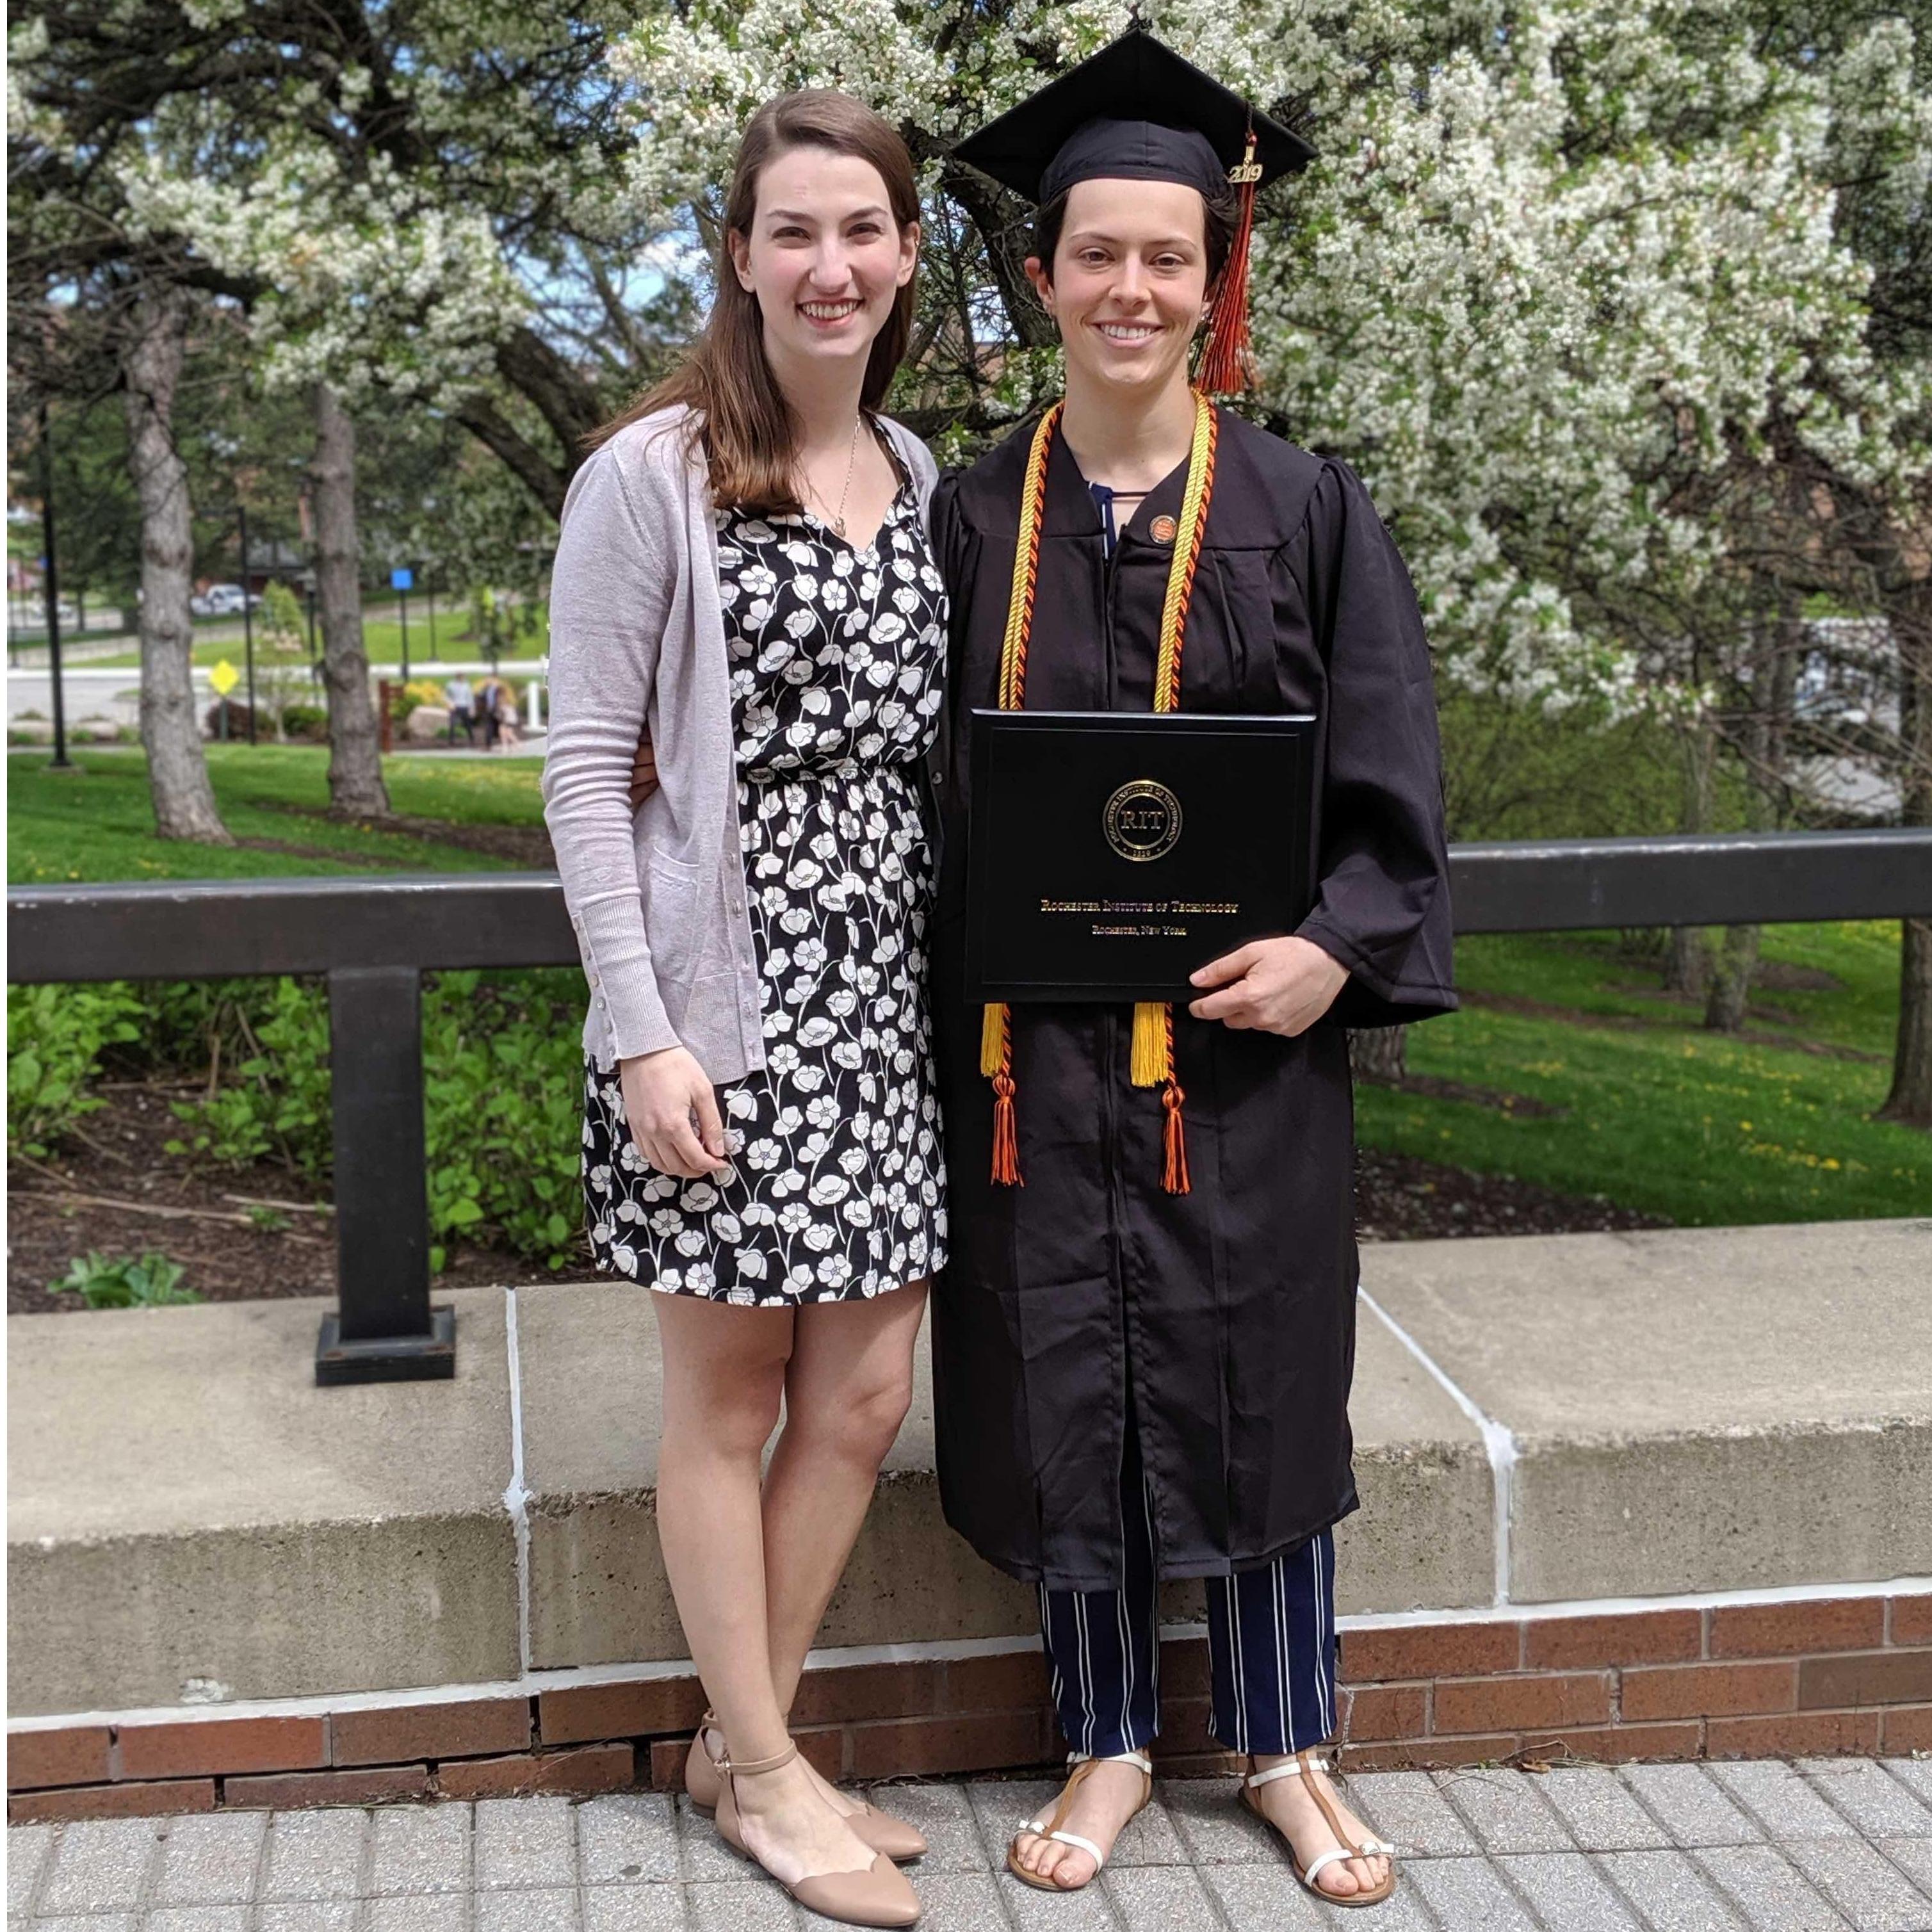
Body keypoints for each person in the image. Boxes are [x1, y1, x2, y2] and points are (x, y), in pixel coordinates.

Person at [927, 28, 1456, 1908]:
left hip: (1244, 1072)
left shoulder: (1306, 510)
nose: (1134, 287)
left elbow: (1392, 802)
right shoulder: (973, 517)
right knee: (1059, 1373)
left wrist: (1334, 955)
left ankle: (1289, 1747)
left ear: (1209, 279)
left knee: (1264, 1380)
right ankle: (1108, 1737)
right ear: (1044, 275)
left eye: (1171, 256)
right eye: (1099, 255)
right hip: (1034, 1071)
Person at [542, 89, 945, 1931]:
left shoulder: (924, 478)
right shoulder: (654, 476)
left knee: (860, 1397)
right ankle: (770, 1774)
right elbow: (581, 772)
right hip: (722, 1000)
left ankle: (740, 1740)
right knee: (728, 1393)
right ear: (738, 255)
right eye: (795, 229)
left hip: (886, 1002)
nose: (831, 264)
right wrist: (643, 1029)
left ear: (908, 252)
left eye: (862, 227)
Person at [444, 671, 475, 746]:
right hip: (455, 706)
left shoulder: (466, 685)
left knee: (467, 724)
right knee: (452, 724)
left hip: (464, 706)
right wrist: (450, 703)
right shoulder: (451, 685)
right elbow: (447, 696)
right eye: (461, 676)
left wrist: (472, 708)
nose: (463, 678)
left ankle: (472, 739)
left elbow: (469, 697)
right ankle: (451, 741)